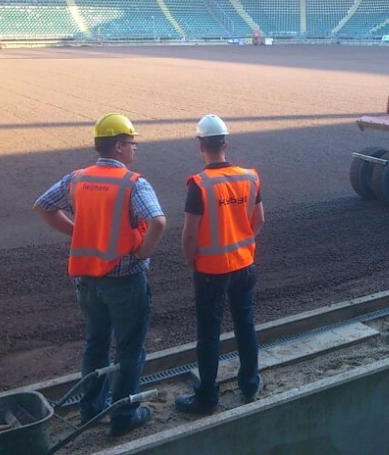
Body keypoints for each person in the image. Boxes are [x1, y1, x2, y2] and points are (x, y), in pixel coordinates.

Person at [33, 113, 166, 438]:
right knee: (130, 349)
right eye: (132, 143)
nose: (135, 149)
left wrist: (77, 231)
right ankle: (124, 415)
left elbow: (42, 206)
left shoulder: (77, 179)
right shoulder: (133, 183)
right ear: (119, 146)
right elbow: (159, 222)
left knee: (95, 344)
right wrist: (142, 253)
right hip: (125, 282)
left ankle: (91, 411)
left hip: (87, 282)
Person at [175, 114, 265, 415]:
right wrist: (241, 241)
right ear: (226, 142)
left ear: (200, 145)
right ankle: (250, 383)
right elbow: (259, 220)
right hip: (244, 266)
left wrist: (193, 259)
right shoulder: (249, 177)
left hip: (210, 271)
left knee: (209, 334)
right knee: (245, 324)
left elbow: (190, 232)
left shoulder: (200, 185)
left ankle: (207, 397)